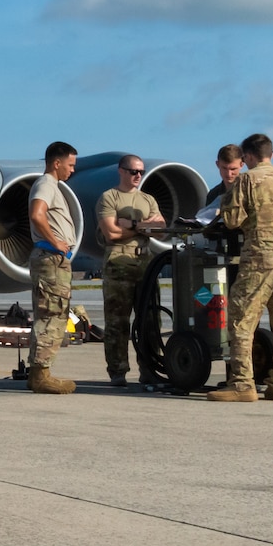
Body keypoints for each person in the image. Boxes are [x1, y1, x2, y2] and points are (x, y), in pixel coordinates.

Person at [212, 133, 273, 402]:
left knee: (242, 320)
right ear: (271, 155)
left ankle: (242, 383)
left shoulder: (246, 180)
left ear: (248, 157)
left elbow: (231, 220)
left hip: (261, 259)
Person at [95, 155, 164, 388]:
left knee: (150, 320)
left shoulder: (148, 199)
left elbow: (162, 230)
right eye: (133, 171)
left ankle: (149, 369)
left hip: (145, 263)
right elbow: (111, 234)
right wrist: (143, 227)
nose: (137, 176)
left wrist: (132, 225)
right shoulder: (109, 197)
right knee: (117, 321)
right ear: (121, 171)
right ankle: (118, 370)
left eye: (141, 172)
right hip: (118, 264)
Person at [27, 142, 80, 395]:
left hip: (53, 258)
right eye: (70, 165)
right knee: (52, 314)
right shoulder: (47, 184)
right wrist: (55, 241)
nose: (72, 170)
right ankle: (40, 375)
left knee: (52, 314)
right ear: (56, 163)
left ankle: (41, 372)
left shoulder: (52, 186)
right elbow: (37, 213)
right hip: (51, 258)